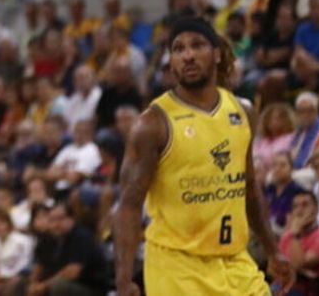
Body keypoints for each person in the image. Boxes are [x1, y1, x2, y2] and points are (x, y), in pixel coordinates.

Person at [112, 16, 293, 296]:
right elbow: (128, 204)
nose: (188, 55)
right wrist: (123, 278)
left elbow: (248, 187)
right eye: (178, 49)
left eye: (197, 45)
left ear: (217, 54)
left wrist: (273, 250)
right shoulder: (152, 124)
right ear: (171, 62)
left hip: (234, 262)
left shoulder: (242, 112)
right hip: (177, 268)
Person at [29, 201, 111, 296]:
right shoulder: (51, 237)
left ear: (72, 219)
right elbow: (40, 265)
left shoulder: (81, 237)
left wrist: (43, 286)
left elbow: (72, 272)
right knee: (22, 283)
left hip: (90, 287)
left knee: (59, 287)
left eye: (60, 219)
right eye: (52, 220)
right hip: (65, 283)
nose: (56, 224)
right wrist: (32, 284)